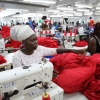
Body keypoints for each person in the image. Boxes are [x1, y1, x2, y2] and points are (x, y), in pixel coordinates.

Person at [10, 25, 84, 77]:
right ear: (23, 42)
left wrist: (70, 50)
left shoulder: (39, 49)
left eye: (36, 39)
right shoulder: (17, 57)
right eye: (32, 40)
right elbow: (19, 77)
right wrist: (44, 74)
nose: (36, 42)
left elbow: (55, 50)